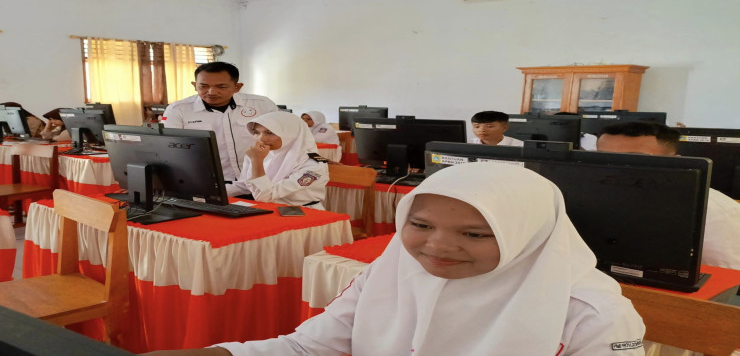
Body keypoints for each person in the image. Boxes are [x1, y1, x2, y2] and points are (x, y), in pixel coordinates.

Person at [142, 163, 646, 356]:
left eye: (474, 234)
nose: (437, 247)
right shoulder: (389, 271)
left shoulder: (592, 315)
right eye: (420, 225)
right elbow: (306, 347)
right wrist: (217, 355)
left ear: (528, 236)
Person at [596, 122, 740, 269]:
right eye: (602, 158)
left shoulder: (713, 211)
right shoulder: (592, 197)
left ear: (675, 161)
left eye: (634, 159)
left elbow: (731, 275)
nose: (613, 168)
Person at [161, 62, 278, 194]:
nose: (211, 92)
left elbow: (282, 140)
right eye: (203, 86)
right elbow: (170, 148)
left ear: (237, 87)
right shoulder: (178, 110)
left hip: (260, 179)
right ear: (194, 85)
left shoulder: (262, 105)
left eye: (221, 86)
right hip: (209, 183)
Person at [230, 112, 329, 209]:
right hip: (268, 209)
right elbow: (244, 186)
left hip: (302, 212)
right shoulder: (262, 154)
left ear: (290, 134)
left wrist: (257, 161)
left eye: (270, 133)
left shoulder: (313, 165)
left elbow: (265, 196)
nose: (261, 138)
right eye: (256, 132)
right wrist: (219, 193)